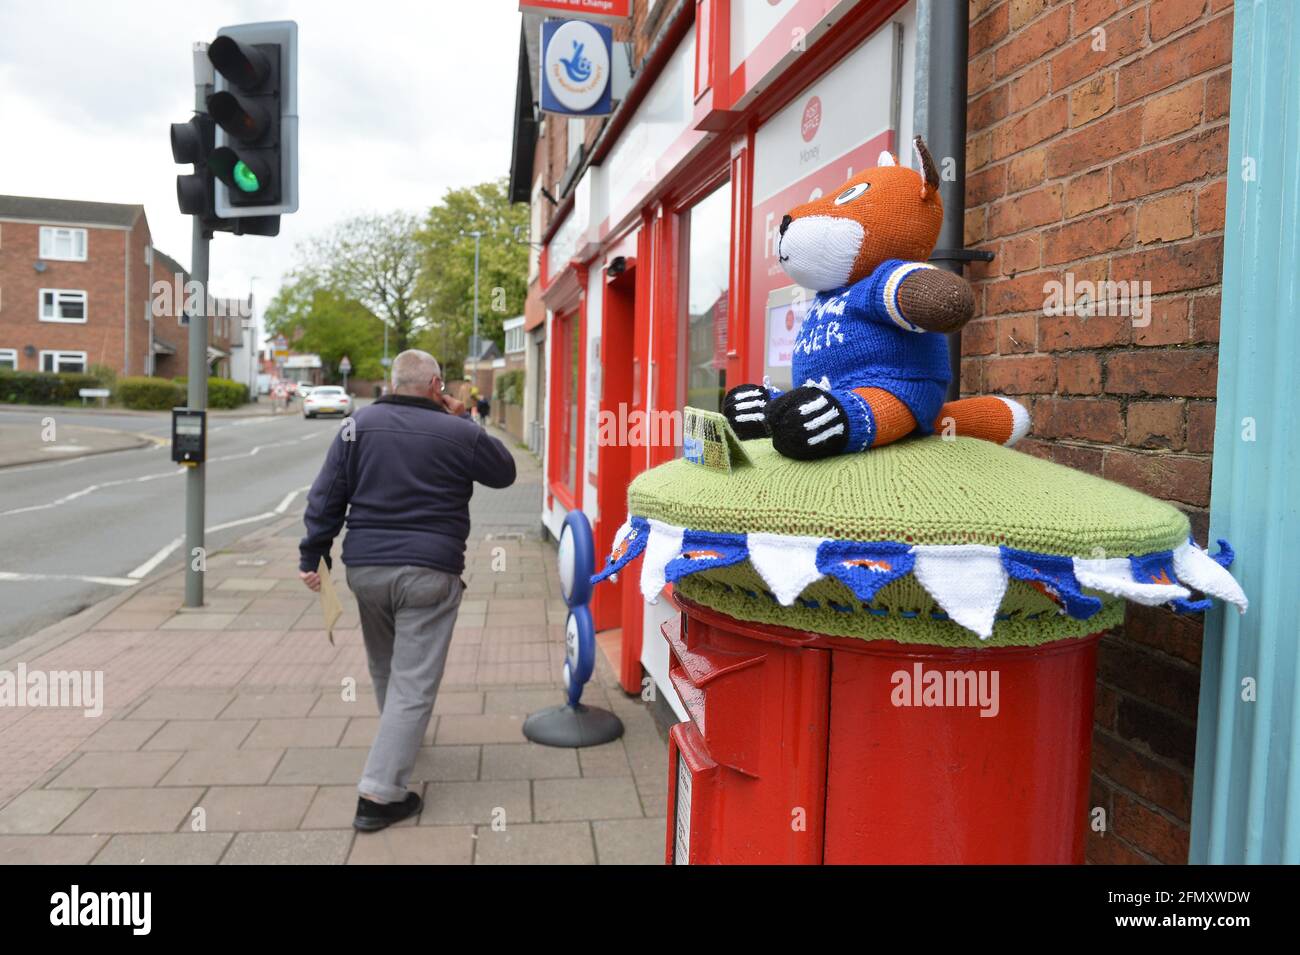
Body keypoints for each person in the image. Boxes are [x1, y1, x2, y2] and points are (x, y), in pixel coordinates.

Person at [297, 349, 517, 831]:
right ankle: (379, 794)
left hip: (366, 569)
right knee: (414, 680)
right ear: (437, 385)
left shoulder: (357, 426)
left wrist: (313, 554)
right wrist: (467, 420)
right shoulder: (459, 431)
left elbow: (326, 495)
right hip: (429, 571)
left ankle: (397, 742)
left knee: (385, 664)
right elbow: (505, 473)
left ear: (394, 383)